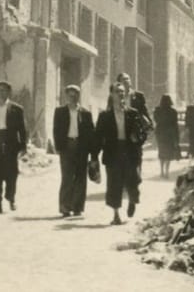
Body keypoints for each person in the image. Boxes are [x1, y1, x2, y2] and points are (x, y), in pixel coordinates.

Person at [92, 82, 145, 226]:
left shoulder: (132, 113)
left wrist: (137, 139)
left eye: (122, 91)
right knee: (114, 184)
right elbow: (98, 137)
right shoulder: (105, 116)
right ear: (111, 94)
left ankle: (133, 200)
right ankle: (116, 215)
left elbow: (143, 133)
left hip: (130, 152)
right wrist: (94, 157)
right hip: (113, 152)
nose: (121, 94)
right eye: (117, 91)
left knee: (133, 180)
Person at [0, 81, 27, 213]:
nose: (1, 93)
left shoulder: (17, 109)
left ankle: (10, 197)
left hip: (11, 143)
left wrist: (23, 146)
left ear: (9, 92)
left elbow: (22, 129)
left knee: (11, 173)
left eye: (4, 90)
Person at [53, 85, 95, 217]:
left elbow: (91, 133)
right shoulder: (60, 112)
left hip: (81, 147)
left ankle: (77, 207)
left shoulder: (86, 113)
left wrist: (91, 151)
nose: (73, 97)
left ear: (79, 96)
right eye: (70, 95)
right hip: (67, 146)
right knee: (67, 177)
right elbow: (56, 130)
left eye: (75, 95)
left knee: (80, 177)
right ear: (66, 96)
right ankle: (65, 206)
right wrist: (59, 147)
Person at [153, 95, 180, 179]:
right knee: (168, 153)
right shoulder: (173, 112)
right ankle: (167, 172)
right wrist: (176, 136)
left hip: (160, 134)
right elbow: (175, 125)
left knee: (161, 152)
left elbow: (156, 121)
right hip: (169, 135)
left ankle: (161, 171)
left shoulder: (157, 111)